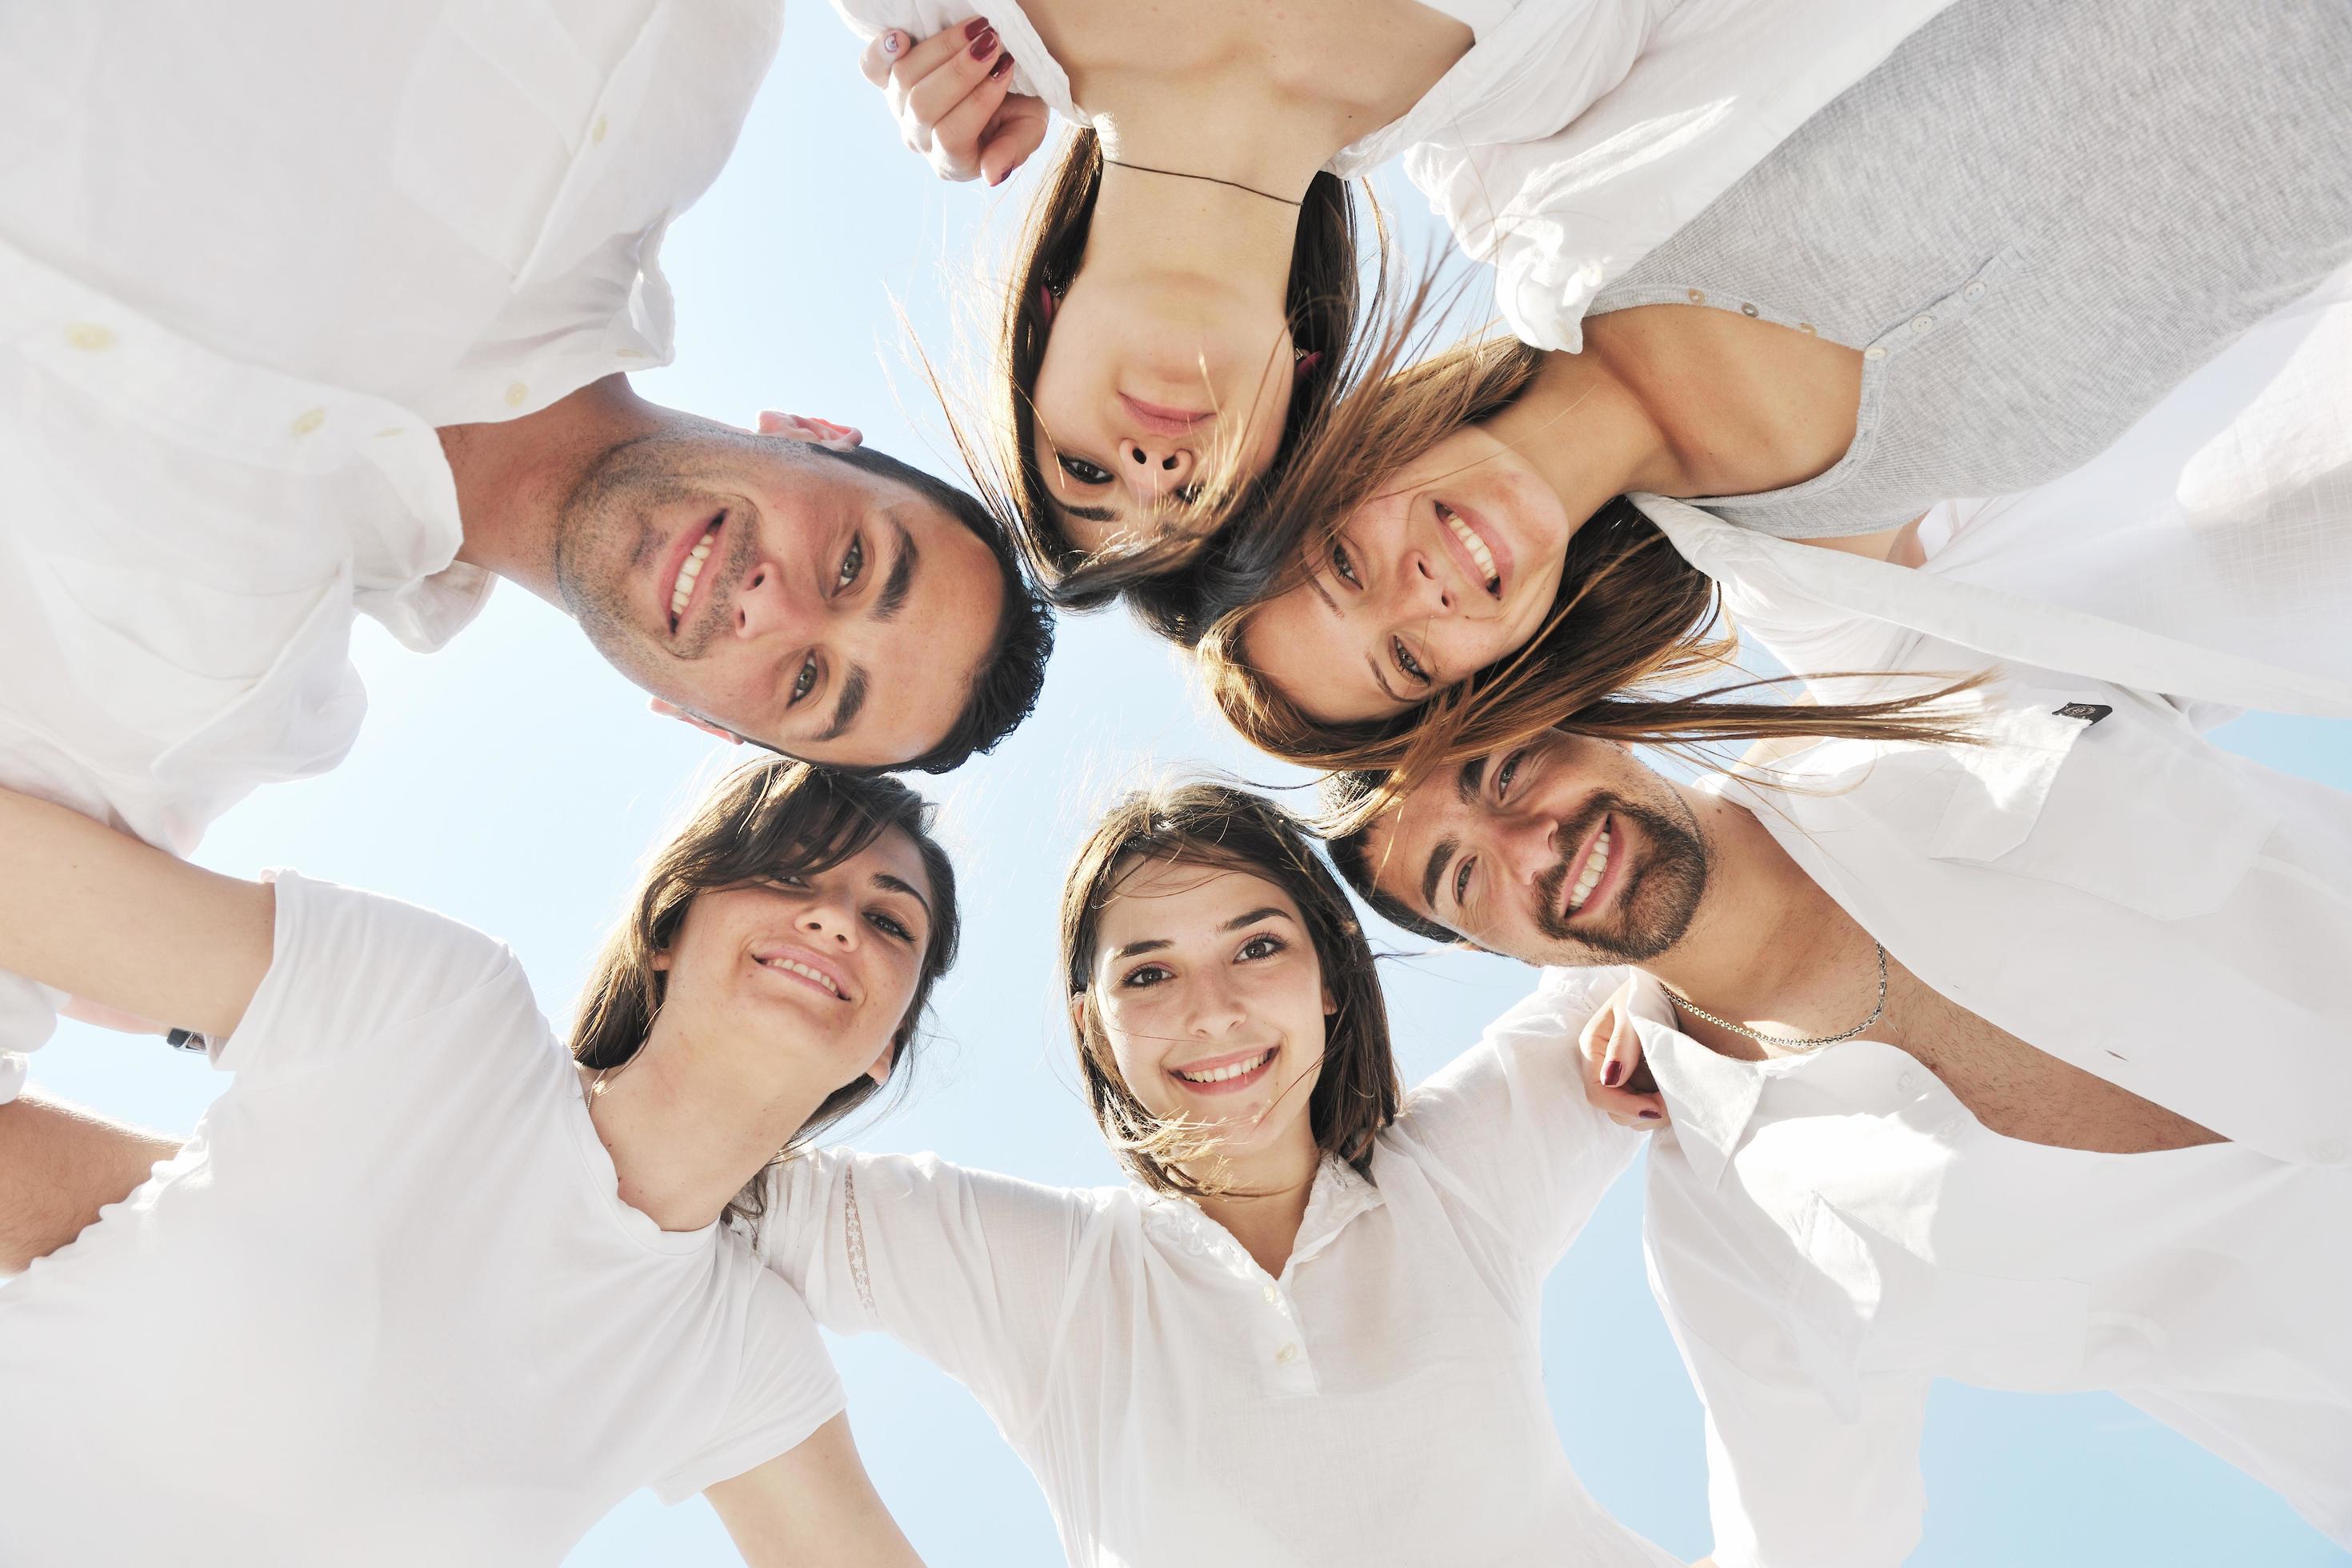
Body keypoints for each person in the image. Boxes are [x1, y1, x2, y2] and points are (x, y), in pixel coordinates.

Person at [0, 0, 1056, 1100]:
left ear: (699, 720)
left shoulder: (204, 706)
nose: (773, 604)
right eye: (850, 565)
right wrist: (1021, 50)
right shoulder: (642, 70)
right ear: (811, 435)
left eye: (805, 681)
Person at [1322, 657, 2352, 1558]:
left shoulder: (1914, 698)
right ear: (1483, 950)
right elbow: (1810, 1548)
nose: (1529, 844)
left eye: (1507, 771)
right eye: (1464, 875)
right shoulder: (1740, 1243)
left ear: (1579, 710)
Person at [0, 759, 960, 1566]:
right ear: (668, 929)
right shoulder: (442, 1008)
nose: (835, 919)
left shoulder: (735, 1352)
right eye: (791, 875)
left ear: (886, 1044)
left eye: (891, 922)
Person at [753, 785, 1683, 1564]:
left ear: (1329, 974)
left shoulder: (1453, 1178)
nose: (1214, 1013)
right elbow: (708, 1179)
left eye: (1257, 947)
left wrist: (1652, 998)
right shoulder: (1054, 1277)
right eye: (1150, 975)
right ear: (1094, 1030)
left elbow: (1702, 886)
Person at [841, 0, 1946, 610]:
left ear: (1038, 325)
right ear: (1300, 409)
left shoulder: (947, 16)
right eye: (1200, 499)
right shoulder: (1542, 117)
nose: (1151, 472)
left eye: (1088, 474)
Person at [1209, 235, 2352, 773]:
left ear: (1343, 464)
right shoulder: (1818, 581)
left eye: (1343, 566)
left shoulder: (1562, 202)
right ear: (1489, 675)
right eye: (1409, 664)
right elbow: (1982, 757)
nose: (1421, 595)